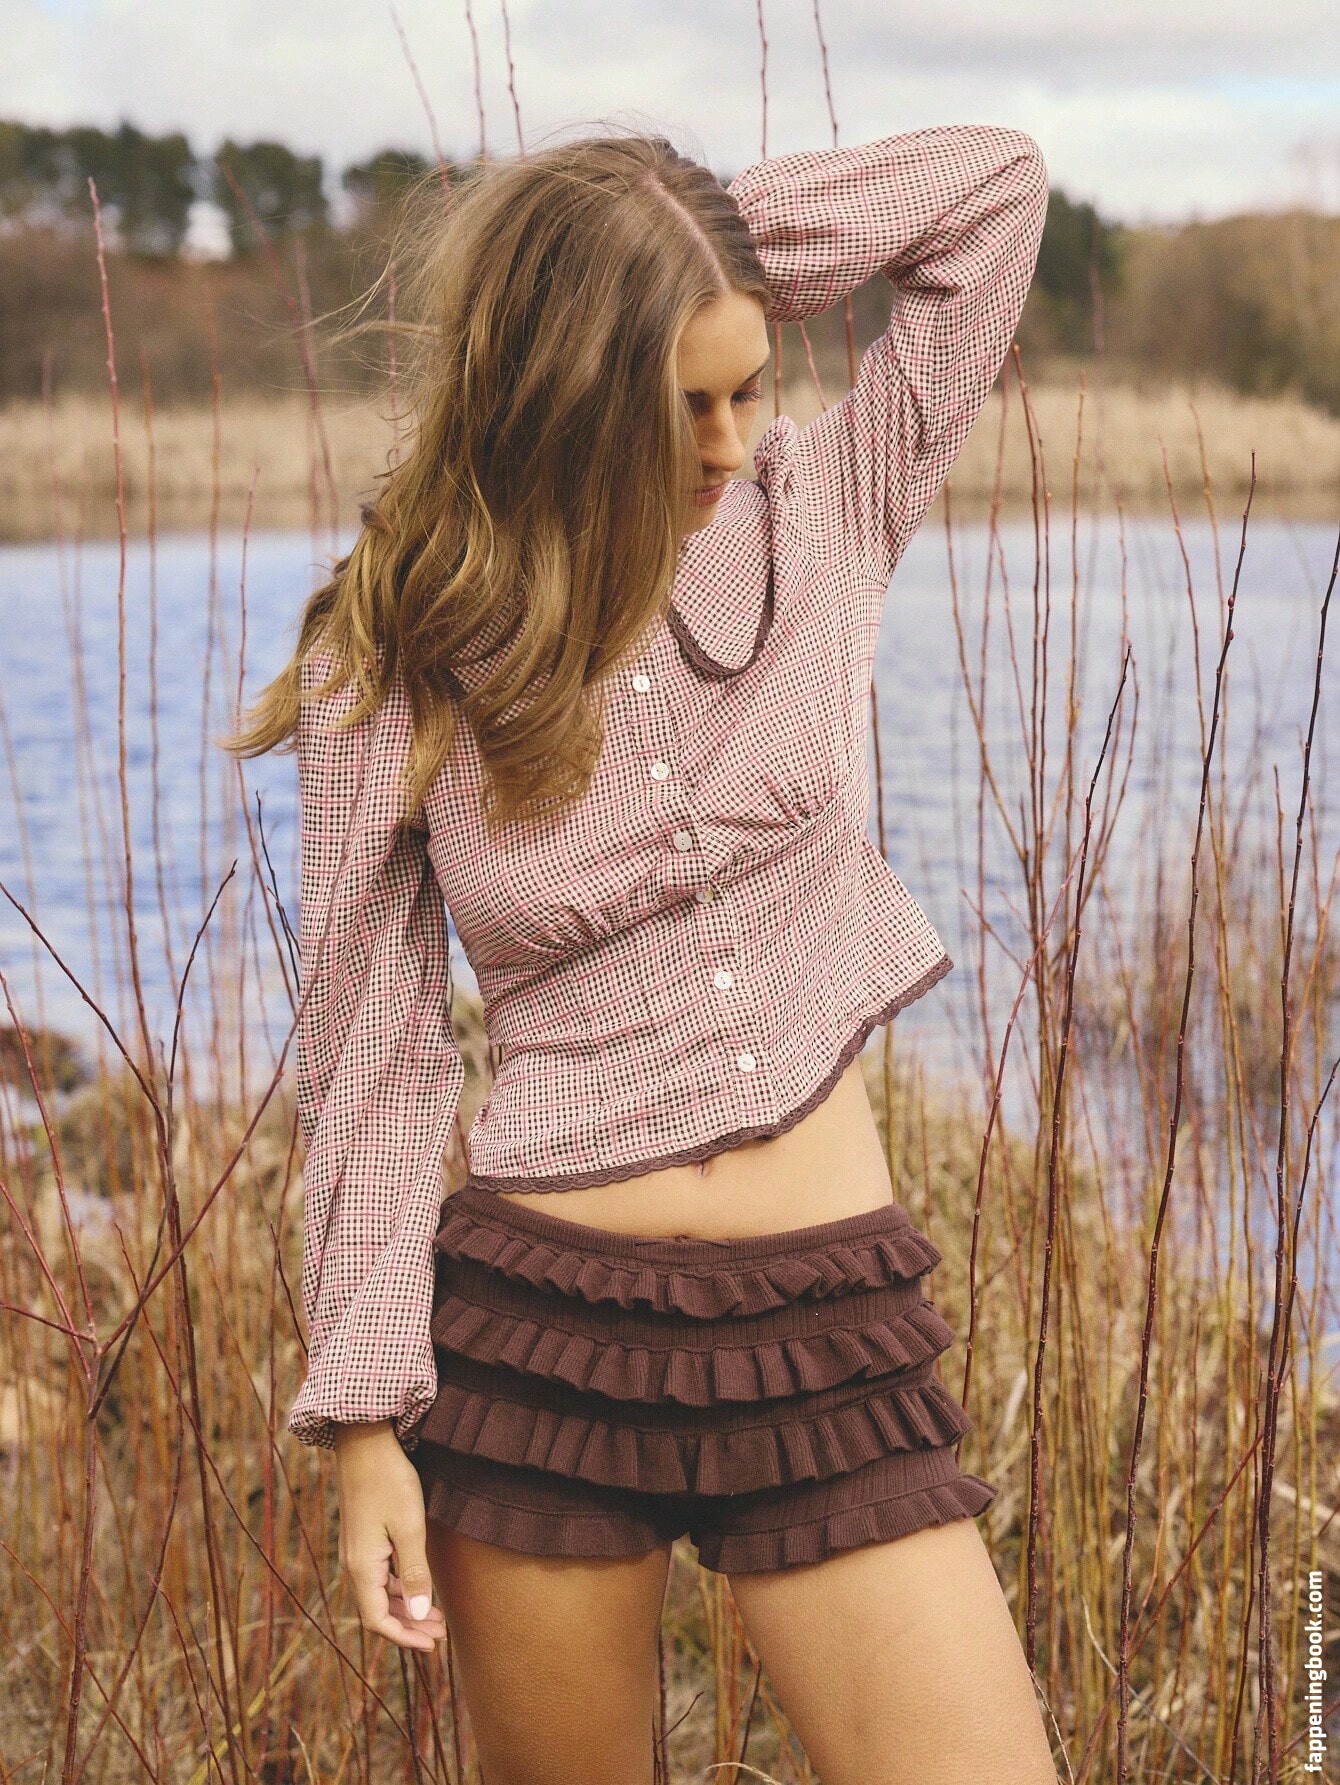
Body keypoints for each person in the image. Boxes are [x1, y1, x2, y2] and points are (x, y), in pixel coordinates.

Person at [229, 118, 1059, 1785]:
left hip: (823, 1319)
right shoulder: (395, 653)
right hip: (541, 1346)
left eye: (748, 389)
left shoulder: (830, 501)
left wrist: (699, 243)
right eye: (683, 404)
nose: (732, 443)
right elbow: (372, 1059)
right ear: (566, 390)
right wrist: (366, 1421)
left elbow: (997, 192)